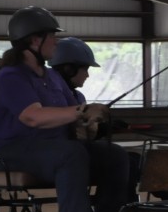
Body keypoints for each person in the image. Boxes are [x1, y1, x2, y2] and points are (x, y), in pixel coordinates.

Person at [0, 6, 129, 212]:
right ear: (34, 40)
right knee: (70, 154)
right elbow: (33, 116)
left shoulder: (52, 77)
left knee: (115, 156)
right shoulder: (11, 76)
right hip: (12, 151)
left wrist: (92, 124)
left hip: (51, 149)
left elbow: (68, 115)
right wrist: (82, 110)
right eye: (52, 35)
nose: (57, 41)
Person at [51, 36, 142, 203]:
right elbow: (74, 131)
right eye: (85, 69)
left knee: (135, 160)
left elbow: (84, 130)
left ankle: (164, 198)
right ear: (69, 69)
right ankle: (118, 209)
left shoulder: (77, 96)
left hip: (75, 150)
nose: (87, 75)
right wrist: (101, 129)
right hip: (65, 154)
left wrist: (102, 127)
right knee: (123, 160)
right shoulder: (55, 94)